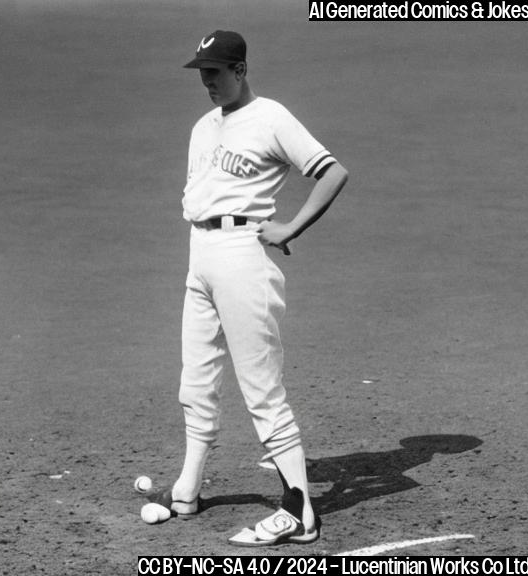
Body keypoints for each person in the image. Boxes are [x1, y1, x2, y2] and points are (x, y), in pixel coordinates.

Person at [168, 30, 348, 546]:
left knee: (261, 389)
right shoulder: (203, 127)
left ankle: (300, 510)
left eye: (217, 72)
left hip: (243, 258)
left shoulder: (271, 117)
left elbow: (333, 172)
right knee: (195, 378)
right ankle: (188, 487)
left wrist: (291, 227)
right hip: (199, 255)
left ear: (241, 70)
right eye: (203, 72)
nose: (208, 81)